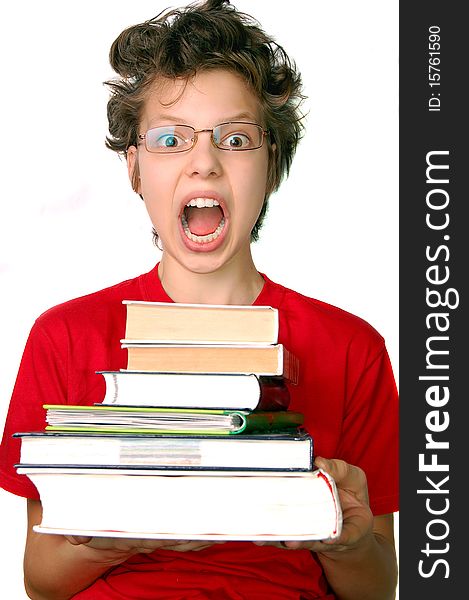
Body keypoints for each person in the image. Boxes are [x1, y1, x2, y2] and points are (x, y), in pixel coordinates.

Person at [0, 0, 399, 598]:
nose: (204, 164)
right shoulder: (65, 335)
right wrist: (121, 536)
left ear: (272, 165)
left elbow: (376, 586)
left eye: (236, 138)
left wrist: (345, 540)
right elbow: (42, 582)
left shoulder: (351, 348)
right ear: (134, 167)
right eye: (169, 139)